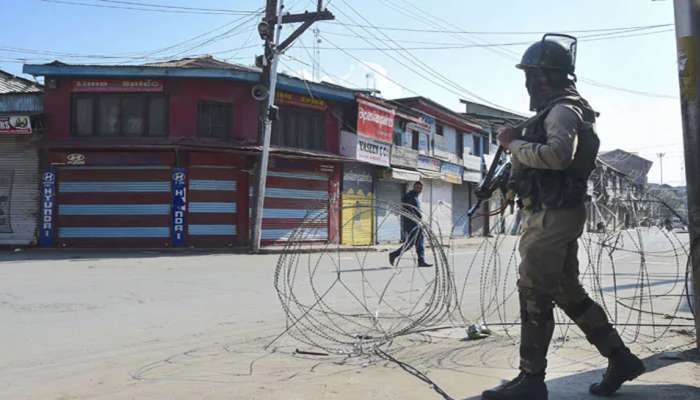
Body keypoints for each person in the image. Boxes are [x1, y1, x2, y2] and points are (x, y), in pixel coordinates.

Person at [481, 34, 645, 400]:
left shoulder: (562, 111)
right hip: (553, 211)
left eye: (532, 76)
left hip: (553, 215)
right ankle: (621, 359)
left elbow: (558, 157)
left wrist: (513, 145)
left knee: (534, 290)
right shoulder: (556, 110)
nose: (529, 83)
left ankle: (531, 380)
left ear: (546, 77)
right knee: (566, 290)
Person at [389, 181, 432, 267]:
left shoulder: (414, 196)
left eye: (421, 188)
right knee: (411, 243)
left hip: (416, 223)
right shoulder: (410, 196)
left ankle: (421, 261)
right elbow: (409, 210)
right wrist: (416, 219)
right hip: (411, 223)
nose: (419, 190)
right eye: (418, 187)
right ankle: (394, 254)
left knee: (419, 242)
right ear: (414, 187)